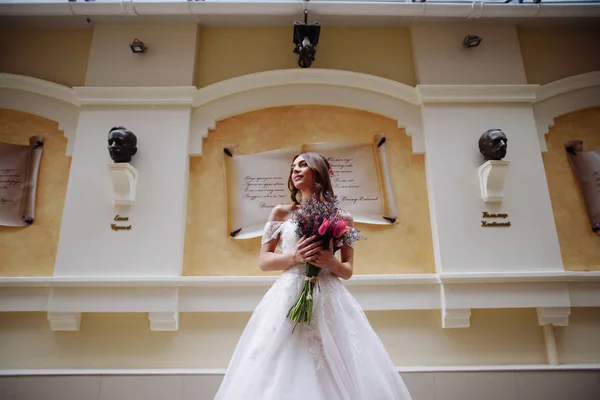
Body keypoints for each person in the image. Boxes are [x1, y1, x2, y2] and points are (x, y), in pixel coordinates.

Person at [214, 152, 413, 400]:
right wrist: (294, 258)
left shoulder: (343, 218)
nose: (295, 170)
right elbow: (264, 261)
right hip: (288, 296)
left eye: (302, 165)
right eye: (293, 167)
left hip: (328, 297)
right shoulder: (281, 213)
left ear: (318, 171)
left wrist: (330, 262)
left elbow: (348, 270)